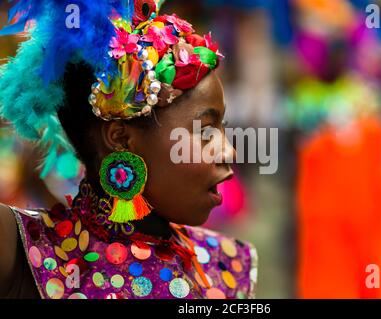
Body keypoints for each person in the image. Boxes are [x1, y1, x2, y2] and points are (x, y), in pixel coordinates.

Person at [0, 0, 257, 299]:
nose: (229, 153)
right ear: (121, 138)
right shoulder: (23, 250)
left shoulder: (226, 267)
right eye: (205, 131)